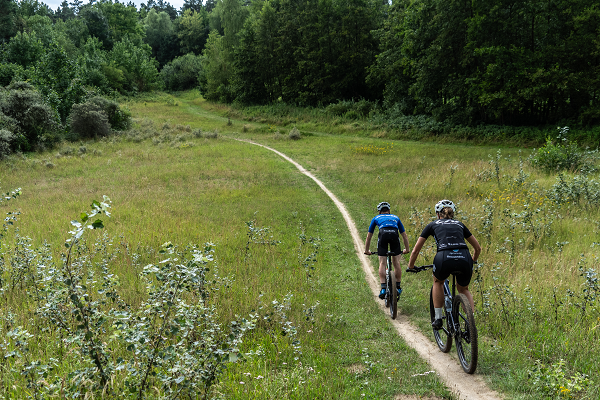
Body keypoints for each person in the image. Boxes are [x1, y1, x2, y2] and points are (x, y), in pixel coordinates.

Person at [407, 199, 481, 329]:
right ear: (453, 213)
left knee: (438, 282)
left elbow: (416, 250)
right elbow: (478, 248)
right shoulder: (460, 224)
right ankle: (470, 323)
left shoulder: (432, 224)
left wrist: (411, 266)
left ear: (437, 214)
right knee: (463, 289)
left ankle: (438, 318)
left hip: (444, 257)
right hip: (464, 257)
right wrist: (472, 261)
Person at [364, 202, 410, 299]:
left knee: (382, 263)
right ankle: (398, 286)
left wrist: (367, 250)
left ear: (380, 211)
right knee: (396, 262)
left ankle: (383, 288)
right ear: (389, 211)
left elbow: (369, 236)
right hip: (394, 235)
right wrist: (407, 249)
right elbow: (404, 235)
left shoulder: (376, 218)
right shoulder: (396, 218)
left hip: (383, 234)